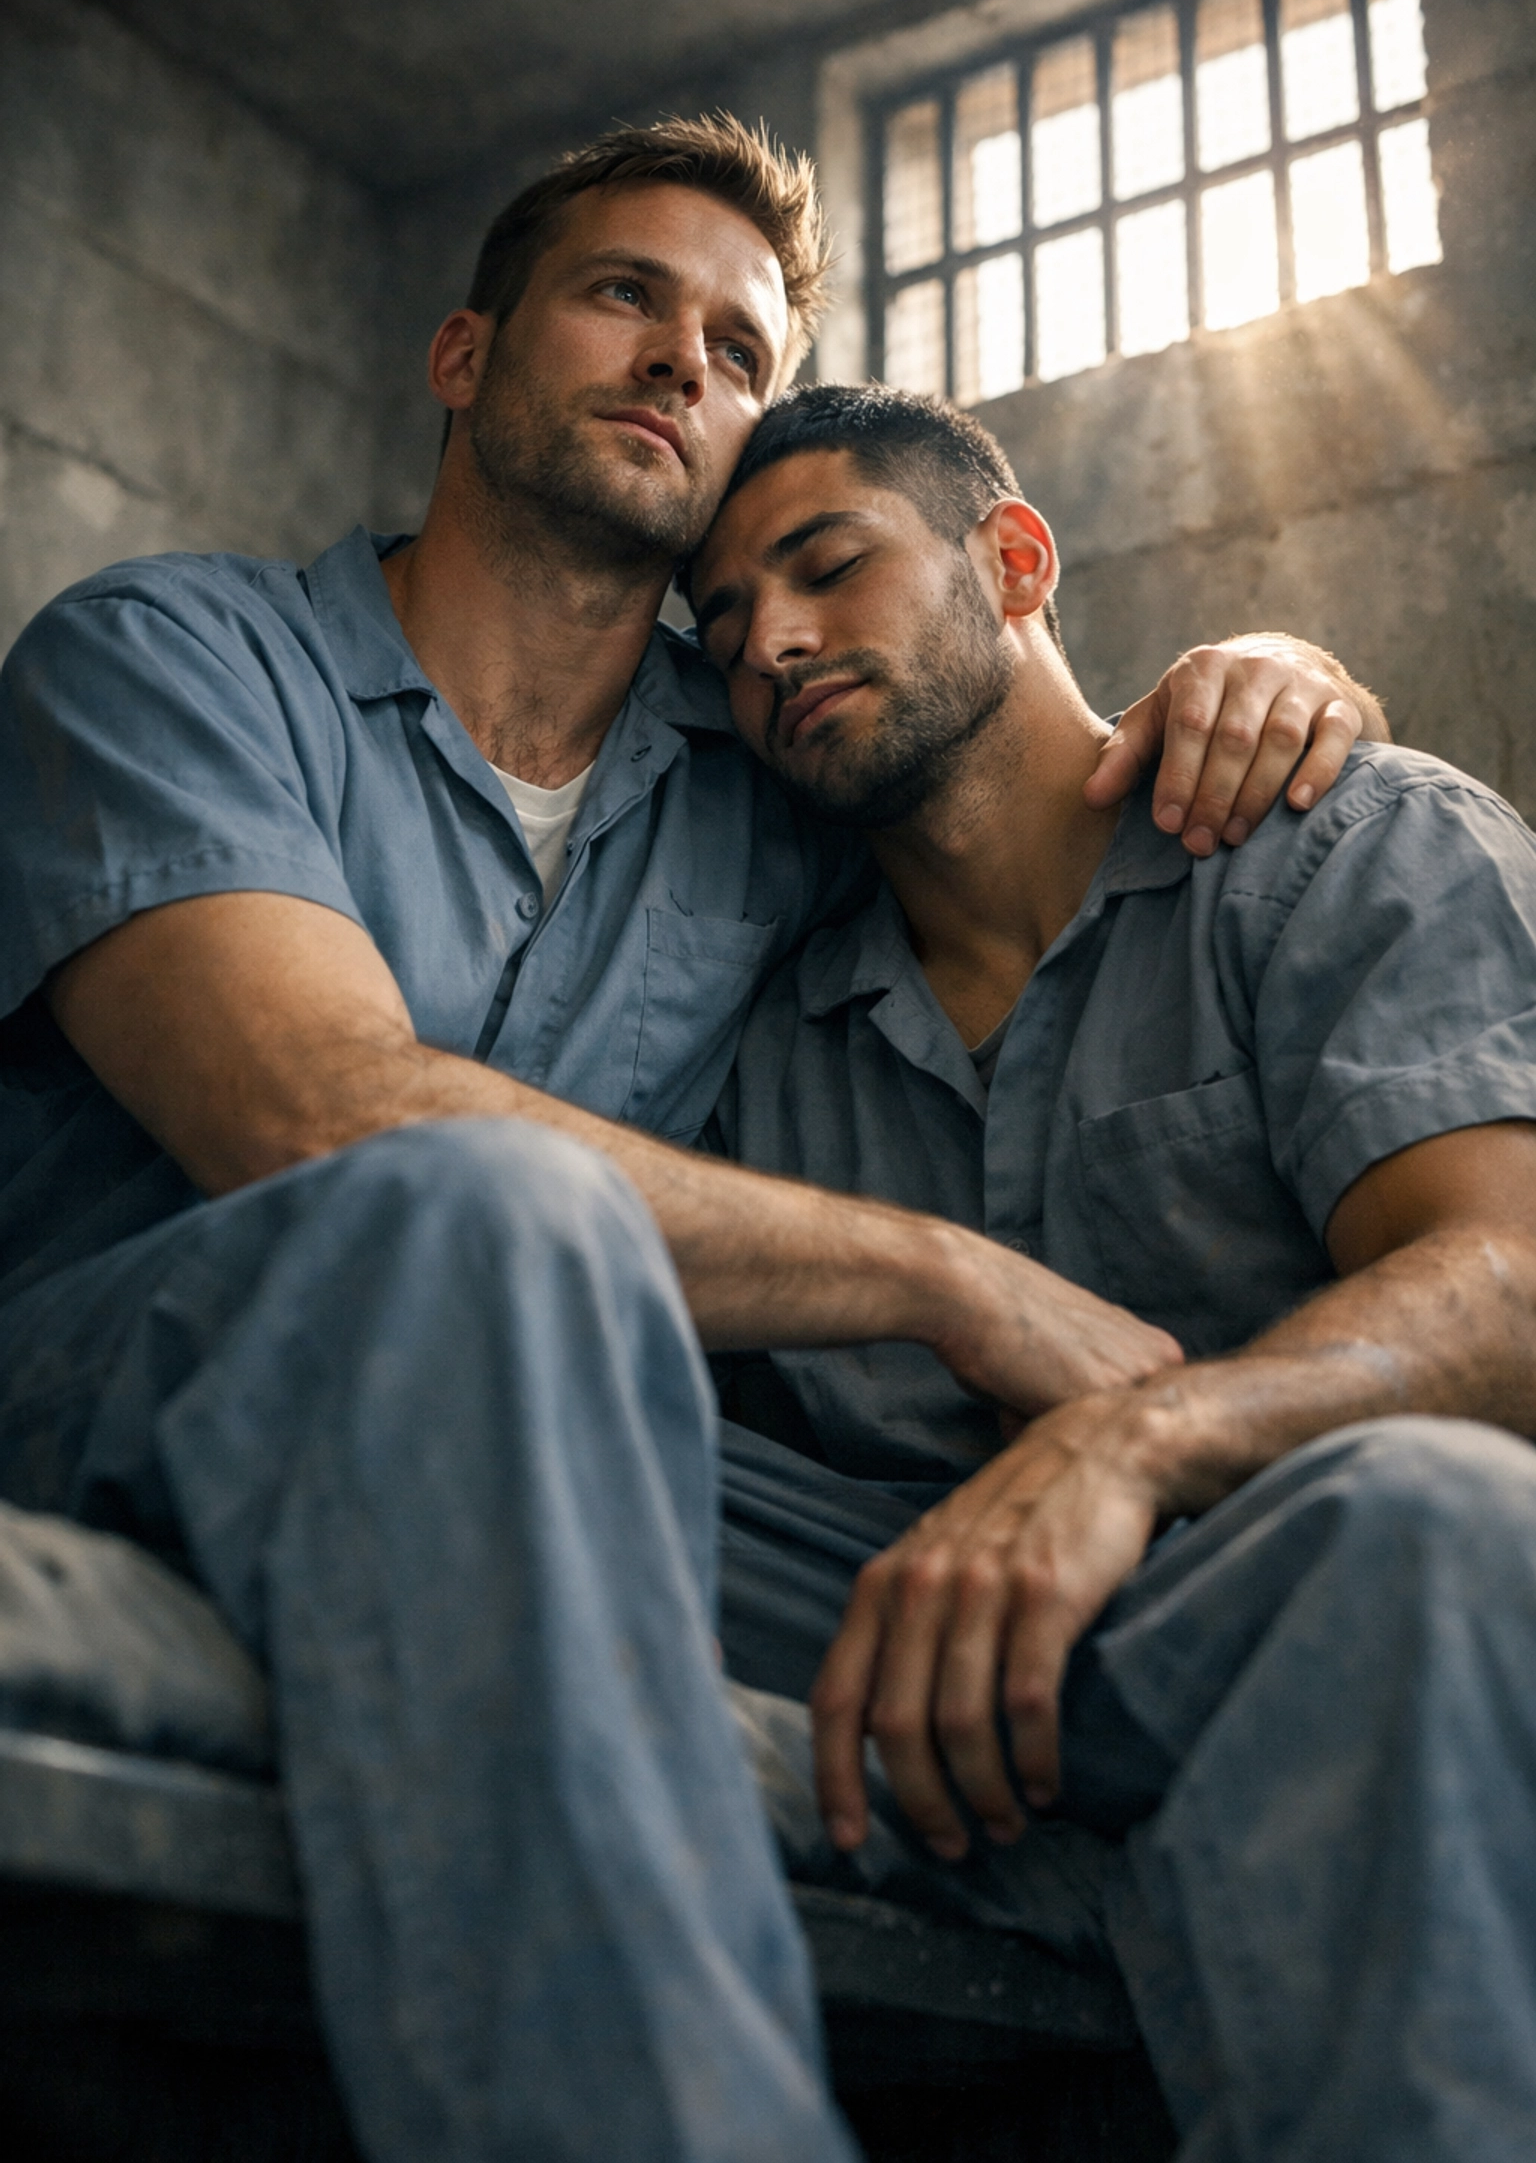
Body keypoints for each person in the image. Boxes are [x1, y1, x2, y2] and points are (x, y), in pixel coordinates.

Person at [0, 115, 1380, 2163]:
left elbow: (1000, 762)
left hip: (552, 1418)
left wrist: (1269, 678)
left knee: (1338, 1554)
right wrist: (951, 1278)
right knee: (482, 1217)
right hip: (138, 1370)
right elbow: (318, 1117)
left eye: (739, 349)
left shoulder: (759, 792)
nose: (685, 363)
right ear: (467, 354)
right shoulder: (169, 656)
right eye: (626, 297)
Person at [692, 383, 1536, 2163]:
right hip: (911, 1624)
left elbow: (1514, 1287)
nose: (769, 641)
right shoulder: (769, 1034)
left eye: (827, 568)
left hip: (1292, 1581)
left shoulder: (1339, 841)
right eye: (721, 621)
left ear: (1014, 562)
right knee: (546, 1435)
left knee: (1423, 1511)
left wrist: (1130, 1445)